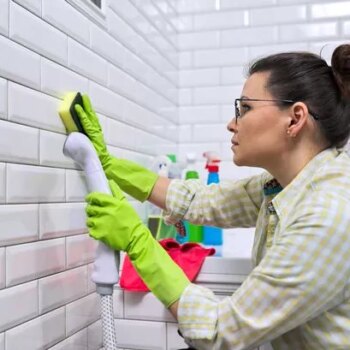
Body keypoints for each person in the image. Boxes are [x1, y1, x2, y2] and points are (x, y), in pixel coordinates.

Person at [75, 43, 350, 349]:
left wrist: (138, 241)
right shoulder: (285, 185)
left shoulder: (328, 212)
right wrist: (110, 166)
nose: (232, 124)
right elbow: (203, 201)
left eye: (245, 108)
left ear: (295, 118)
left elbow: (219, 332)